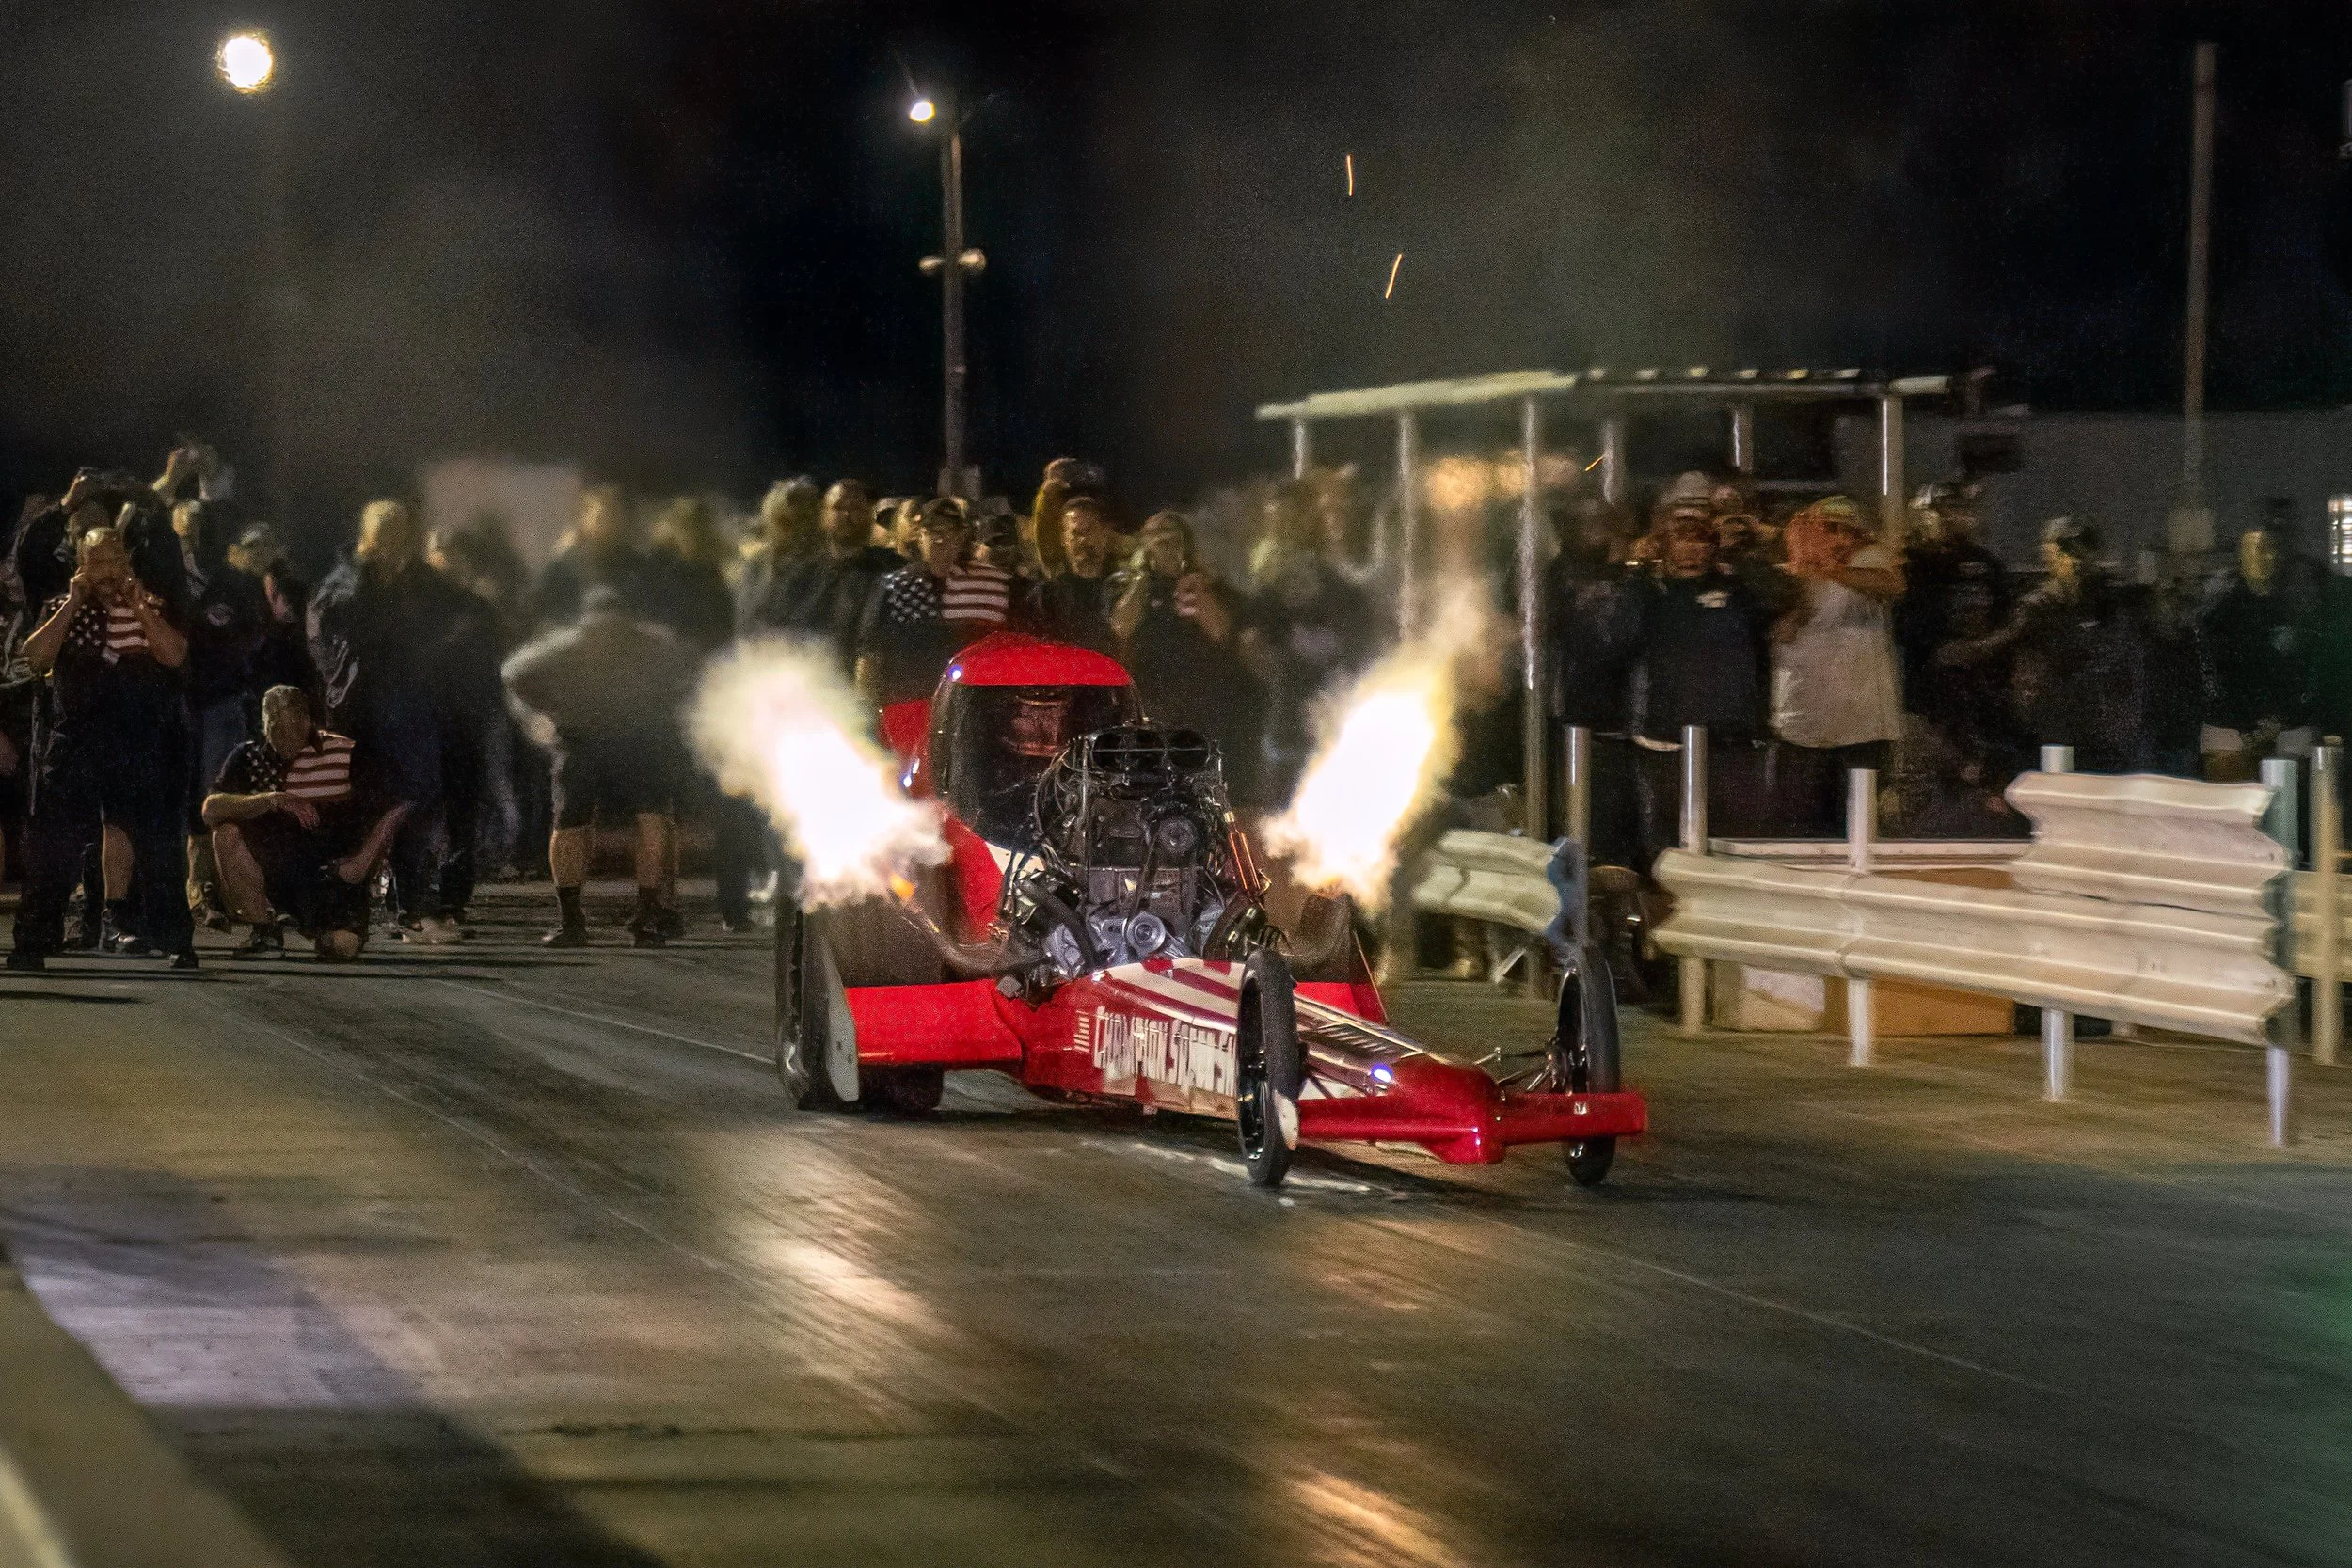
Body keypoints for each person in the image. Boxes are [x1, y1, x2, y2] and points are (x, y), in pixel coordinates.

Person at [8, 526, 197, 970]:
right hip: (77, 740)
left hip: (139, 738)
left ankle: (169, 936)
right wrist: (73, 601)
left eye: (114, 560)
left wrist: (138, 609)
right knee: (53, 843)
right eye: (97, 562)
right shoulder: (62, 608)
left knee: (155, 839)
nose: (107, 571)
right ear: (82, 567)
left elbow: (174, 655)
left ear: (126, 563)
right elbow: (35, 658)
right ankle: (34, 941)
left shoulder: (152, 606)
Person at [309, 499, 479, 942]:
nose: (392, 540)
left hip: (412, 704)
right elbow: (332, 620)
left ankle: (412, 906)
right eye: (383, 531)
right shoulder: (349, 574)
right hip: (360, 708)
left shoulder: (422, 580)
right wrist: (371, 575)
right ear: (368, 534)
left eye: (399, 530)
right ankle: (349, 905)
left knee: (415, 802)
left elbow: (460, 616)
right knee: (360, 805)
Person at [501, 586, 696, 947]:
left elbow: (514, 673)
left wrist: (542, 714)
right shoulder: (655, 645)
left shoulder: (570, 645)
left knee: (572, 823)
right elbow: (694, 672)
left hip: (583, 739)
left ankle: (572, 920)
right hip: (641, 739)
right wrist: (670, 708)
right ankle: (647, 913)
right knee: (650, 820)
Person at [202, 686, 412, 960]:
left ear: (307, 721)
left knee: (341, 947)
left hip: (328, 875)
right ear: (265, 726)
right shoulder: (249, 757)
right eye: (276, 729)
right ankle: (264, 929)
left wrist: (362, 863)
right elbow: (211, 809)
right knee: (225, 833)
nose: (286, 739)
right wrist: (272, 799)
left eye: (293, 728)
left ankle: (320, 927)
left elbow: (398, 803)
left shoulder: (341, 752)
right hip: (275, 869)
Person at [1625, 512, 1775, 868]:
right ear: (1663, 545)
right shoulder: (1648, 591)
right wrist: (1638, 568)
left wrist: (1743, 550)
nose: (1692, 549)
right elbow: (1620, 629)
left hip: (1733, 736)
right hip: (1666, 735)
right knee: (1668, 839)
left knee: (1735, 838)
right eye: (1681, 539)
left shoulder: (1736, 590)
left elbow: (1781, 597)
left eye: (1701, 539)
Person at [1770, 496, 1905, 836]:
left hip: (1863, 728)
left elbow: (1894, 584)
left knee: (1860, 829)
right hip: (1801, 726)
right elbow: (1784, 628)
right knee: (1800, 831)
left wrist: (1829, 568)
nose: (1841, 539)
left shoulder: (1866, 565)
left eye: (1849, 531)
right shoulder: (1781, 575)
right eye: (1829, 530)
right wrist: (1804, 572)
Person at [1238, 483, 1377, 807]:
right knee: (1279, 806)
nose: (1284, 526)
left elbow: (1357, 623)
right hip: (1288, 712)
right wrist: (1271, 665)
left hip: (1333, 706)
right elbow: (1252, 634)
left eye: (1292, 517)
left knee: (1331, 800)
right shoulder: (1269, 576)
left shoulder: (1339, 568)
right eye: (1278, 518)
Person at [1109, 510, 1257, 791]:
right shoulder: (1126, 584)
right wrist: (1142, 580)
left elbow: (1221, 630)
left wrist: (1197, 589)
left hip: (1204, 713)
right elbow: (1121, 625)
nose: (1166, 540)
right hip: (1152, 713)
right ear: (1146, 545)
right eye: (1158, 535)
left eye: (1173, 535)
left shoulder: (1207, 585)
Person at [173, 498, 269, 925]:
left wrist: (227, 655)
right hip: (173, 698)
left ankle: (218, 884)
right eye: (191, 529)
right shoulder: (168, 579)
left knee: (217, 788)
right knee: (180, 786)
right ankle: (194, 883)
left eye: (205, 528)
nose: (199, 537)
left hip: (221, 698)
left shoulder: (237, 583)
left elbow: (257, 633)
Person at [2003, 517, 2152, 774]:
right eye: (2067, 551)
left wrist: (2123, 726)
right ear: (2048, 555)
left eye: (2084, 550)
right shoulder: (2035, 609)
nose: (2077, 560)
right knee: (2059, 805)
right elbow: (2022, 678)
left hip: (2106, 744)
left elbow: (2127, 662)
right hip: (2056, 743)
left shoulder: (2109, 604)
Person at [2197, 521, 2312, 781]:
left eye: (2269, 550)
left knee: (2286, 812)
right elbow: (2214, 674)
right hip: (2233, 730)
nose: (2264, 557)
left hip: (2281, 729)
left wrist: (2278, 718)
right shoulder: (2220, 614)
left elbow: (2301, 672)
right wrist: (2249, 723)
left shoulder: (2293, 611)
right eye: (2254, 550)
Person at [856, 499, 984, 705]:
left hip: (964, 708)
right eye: (934, 531)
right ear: (920, 536)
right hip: (907, 705)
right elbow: (870, 655)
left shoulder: (979, 587)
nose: (942, 540)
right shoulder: (894, 586)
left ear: (962, 537)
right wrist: (865, 714)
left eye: (950, 532)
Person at [532, 485, 654, 627]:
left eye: (615, 515)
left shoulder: (640, 568)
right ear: (585, 520)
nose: (609, 523)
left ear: (625, 520)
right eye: (602, 517)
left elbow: (648, 613)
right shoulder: (564, 566)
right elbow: (543, 610)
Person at [1031, 495, 1118, 650]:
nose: (1083, 540)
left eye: (1090, 530)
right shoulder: (1045, 597)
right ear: (1064, 539)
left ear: (1105, 534)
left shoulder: (1123, 588)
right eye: (1076, 533)